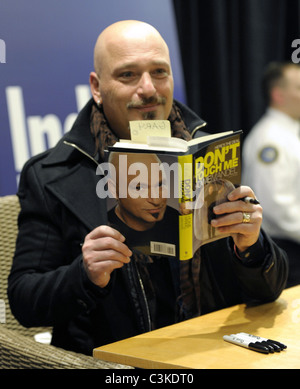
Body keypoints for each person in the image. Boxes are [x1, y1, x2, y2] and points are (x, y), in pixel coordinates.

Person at [8, 21, 288, 355]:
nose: (148, 89)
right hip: (114, 362)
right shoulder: (53, 174)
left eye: (159, 72)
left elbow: (269, 292)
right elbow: (25, 302)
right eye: (128, 75)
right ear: (97, 87)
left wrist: (252, 247)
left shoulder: (205, 152)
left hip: (214, 351)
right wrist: (84, 275)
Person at [243, 62, 300, 287]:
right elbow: (275, 206)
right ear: (278, 94)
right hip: (284, 251)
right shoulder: (270, 140)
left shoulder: (289, 135)